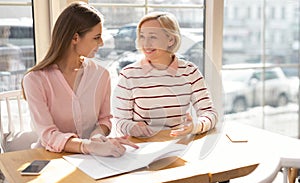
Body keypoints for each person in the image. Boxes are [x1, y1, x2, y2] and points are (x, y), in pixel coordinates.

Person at [22, 1, 138, 157]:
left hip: (93, 160)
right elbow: (48, 134)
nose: (102, 43)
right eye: (96, 37)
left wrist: (96, 137)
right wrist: (88, 146)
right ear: (75, 38)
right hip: (51, 157)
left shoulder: (101, 75)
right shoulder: (35, 80)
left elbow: (105, 119)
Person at [113, 11, 218, 138]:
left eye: (152, 37)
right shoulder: (128, 75)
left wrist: (196, 125)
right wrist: (132, 127)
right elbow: (120, 122)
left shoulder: (190, 72)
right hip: (142, 146)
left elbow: (209, 113)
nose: (145, 44)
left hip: (177, 144)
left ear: (170, 40)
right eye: (142, 36)